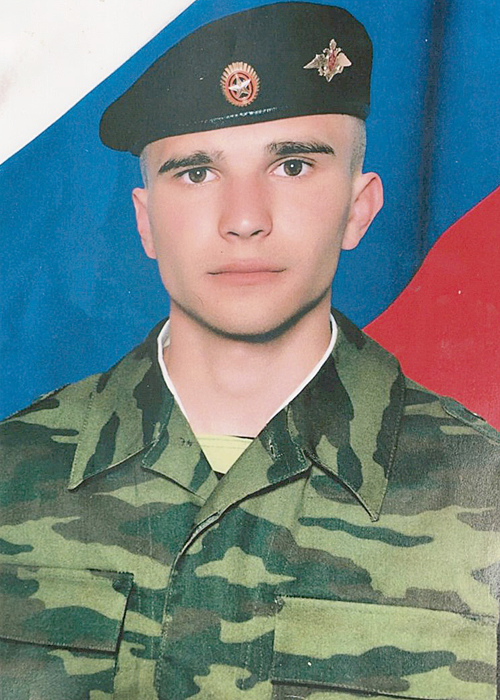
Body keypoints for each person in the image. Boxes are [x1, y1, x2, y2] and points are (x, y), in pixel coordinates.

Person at [0, 3, 498, 699]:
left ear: (359, 208)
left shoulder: (485, 496)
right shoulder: (12, 475)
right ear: (146, 222)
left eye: (292, 165)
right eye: (197, 173)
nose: (243, 219)